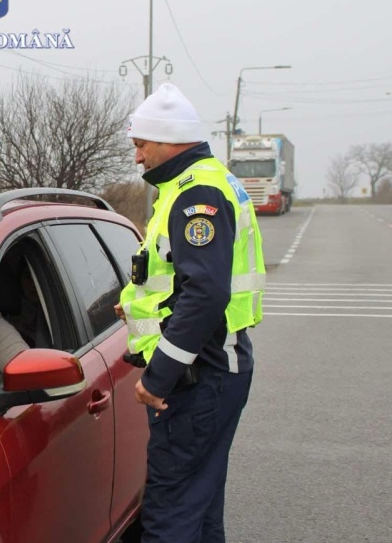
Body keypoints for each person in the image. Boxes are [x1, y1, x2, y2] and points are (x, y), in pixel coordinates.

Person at [114, 83, 266, 543]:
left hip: (200, 373)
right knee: (198, 507)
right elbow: (170, 286)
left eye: (141, 145)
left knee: (169, 513)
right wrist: (134, 312)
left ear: (169, 140)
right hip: (212, 367)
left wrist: (156, 379)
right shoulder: (195, 184)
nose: (137, 158)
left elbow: (203, 295)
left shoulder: (197, 195)